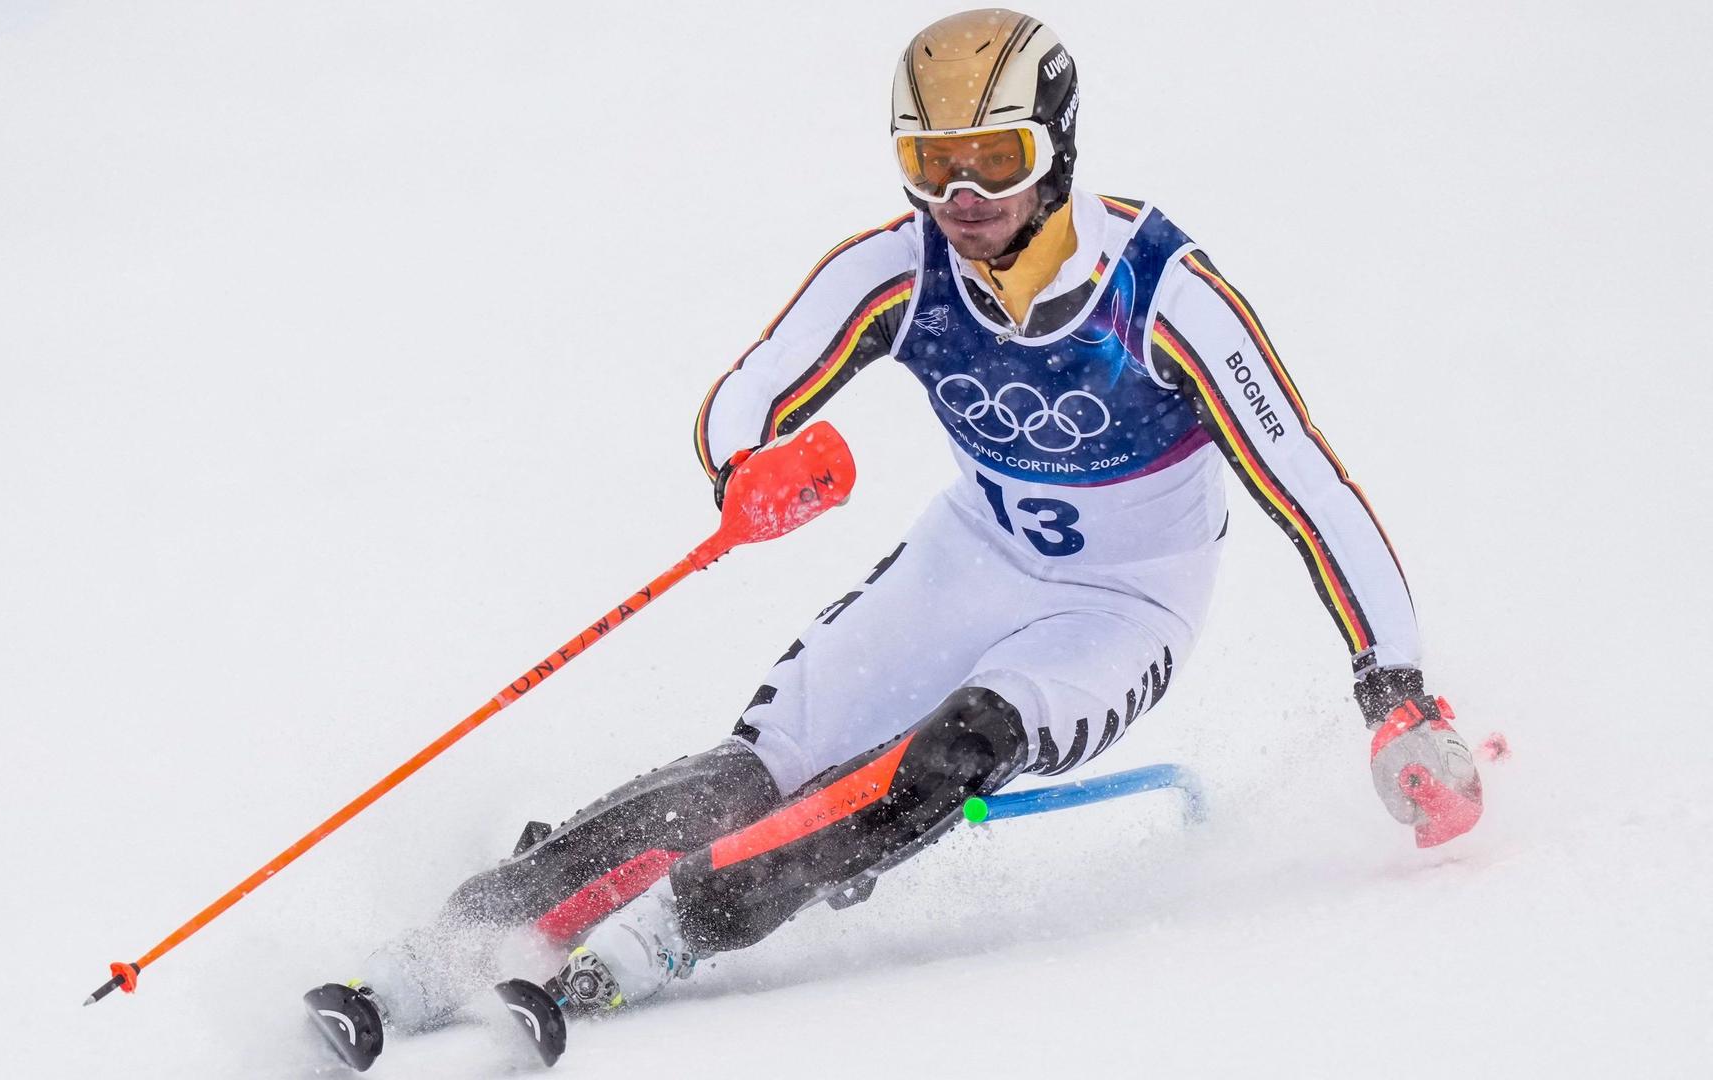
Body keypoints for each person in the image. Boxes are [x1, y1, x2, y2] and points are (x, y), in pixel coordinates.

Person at [306, 8, 1484, 1069]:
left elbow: (1311, 490)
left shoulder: (1162, 293)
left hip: (1123, 607)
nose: (962, 197)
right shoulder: (903, 271)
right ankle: (451, 942)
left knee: (951, 751)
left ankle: (662, 937)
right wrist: (749, 473)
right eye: (931, 165)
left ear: (1057, 149)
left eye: (995, 161)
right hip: (969, 557)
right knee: (750, 769)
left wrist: (1399, 695)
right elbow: (745, 401)